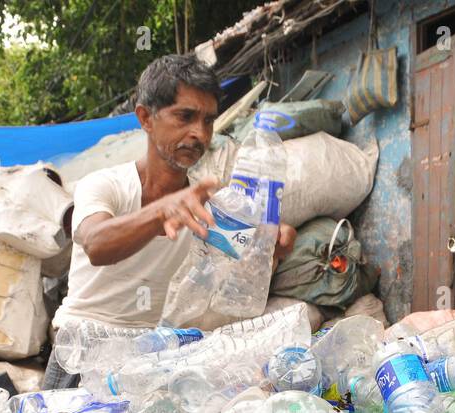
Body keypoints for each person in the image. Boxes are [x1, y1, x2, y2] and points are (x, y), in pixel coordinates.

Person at [43, 54, 296, 388]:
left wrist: (272, 247)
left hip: (145, 361)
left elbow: (240, 277)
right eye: (185, 116)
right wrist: (163, 210)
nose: (200, 134)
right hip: (81, 351)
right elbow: (96, 244)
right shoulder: (106, 185)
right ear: (146, 118)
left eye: (208, 121)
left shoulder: (207, 209)